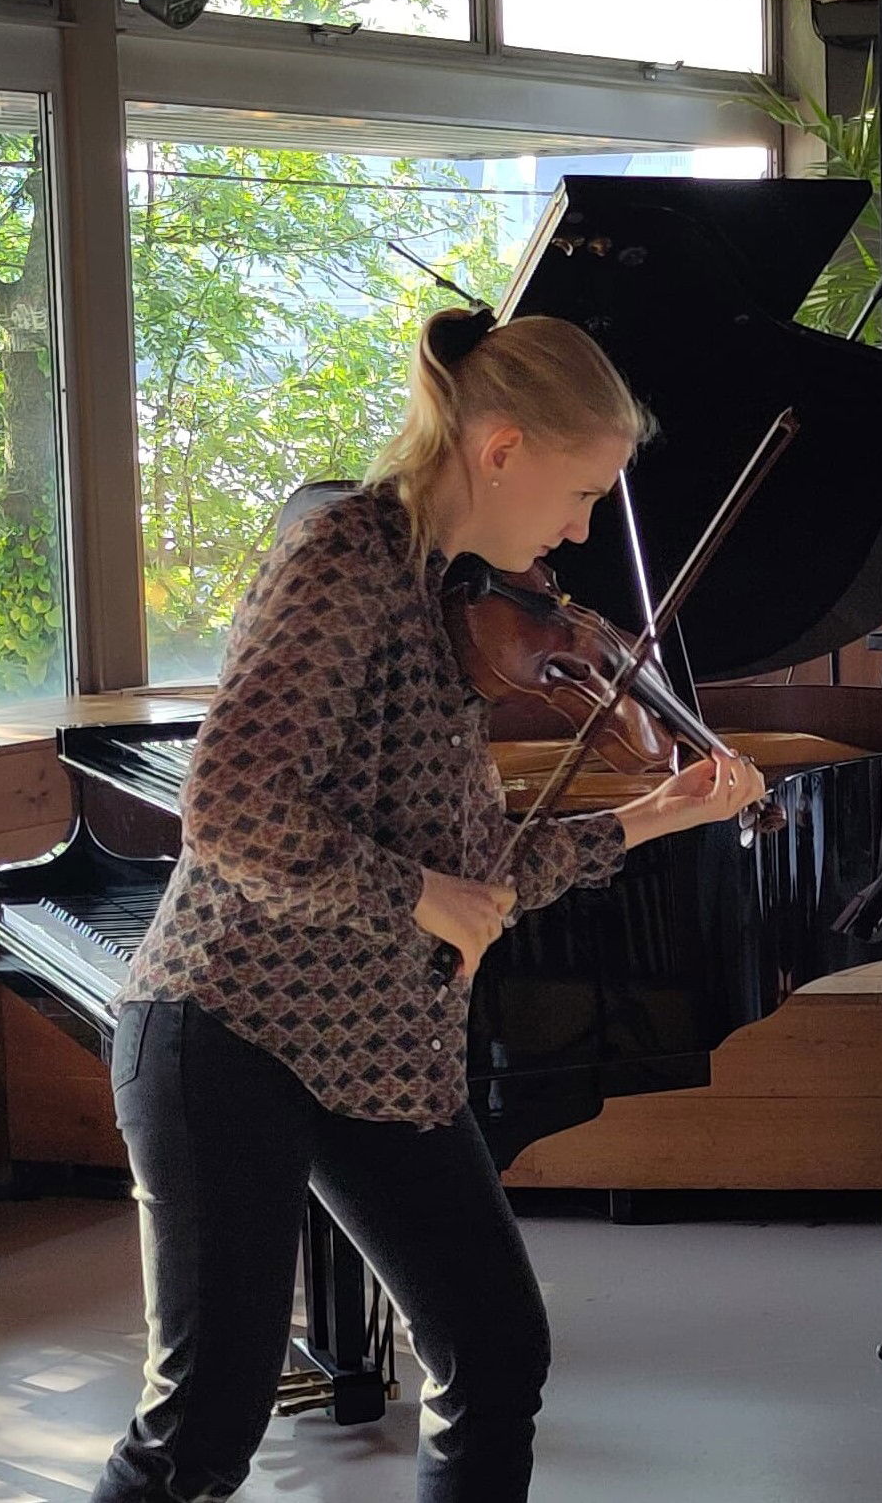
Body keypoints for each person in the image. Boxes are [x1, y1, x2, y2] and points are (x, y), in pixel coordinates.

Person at [94, 307, 767, 1503]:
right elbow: (230, 802)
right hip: (225, 1032)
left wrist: (656, 817)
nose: (581, 529)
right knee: (203, 1426)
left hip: (379, 1056)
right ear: (498, 449)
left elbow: (474, 876)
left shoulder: (441, 592)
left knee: (496, 1353)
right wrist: (412, 896)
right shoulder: (344, 556)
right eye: (582, 492)